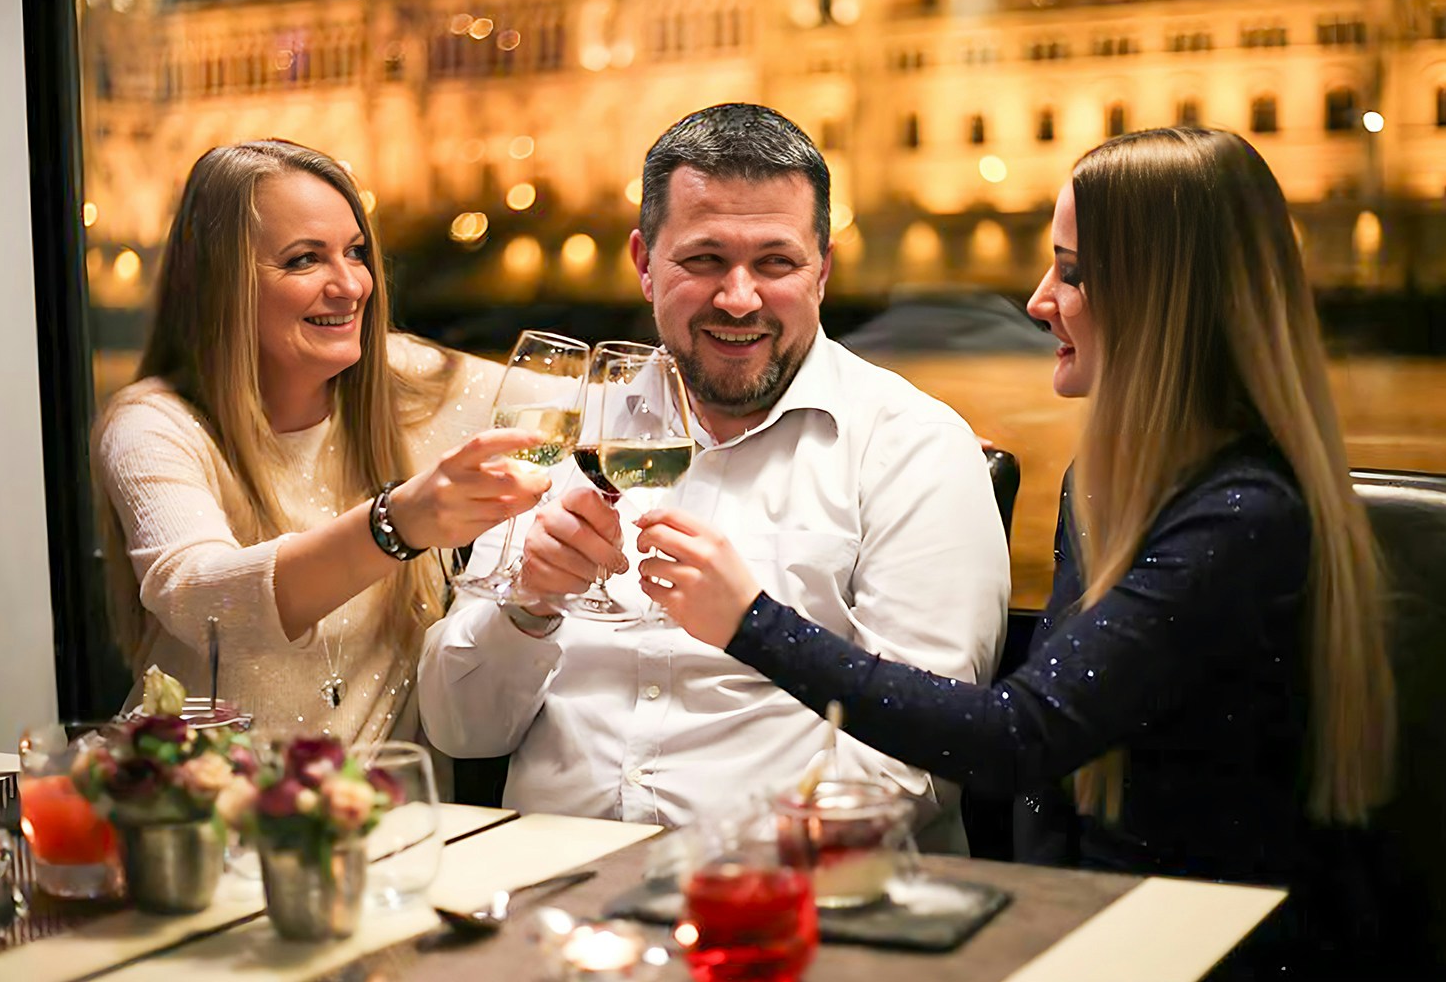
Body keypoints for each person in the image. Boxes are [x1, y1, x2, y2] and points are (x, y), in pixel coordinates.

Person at [661, 126, 1395, 903]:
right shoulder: (1107, 484)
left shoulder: (1244, 516)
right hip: (1086, 911)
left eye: (1072, 273)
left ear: (1164, 299)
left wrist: (751, 621)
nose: (1038, 300)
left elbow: (1020, 737)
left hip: (1200, 937)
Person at [417, 104, 1009, 844]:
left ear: (822, 271)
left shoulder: (913, 447)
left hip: (789, 904)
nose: (739, 298)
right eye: (703, 260)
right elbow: (459, 730)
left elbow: (918, 760)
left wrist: (714, 883)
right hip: (552, 893)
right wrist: (527, 608)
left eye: (775, 262)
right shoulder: (568, 442)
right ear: (642, 264)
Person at [94, 139, 547, 747]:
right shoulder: (151, 424)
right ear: (221, 283)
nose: (351, 285)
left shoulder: (408, 387)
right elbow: (203, 603)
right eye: (305, 260)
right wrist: (397, 525)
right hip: (198, 815)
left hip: (387, 828)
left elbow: (603, 401)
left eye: (355, 253)